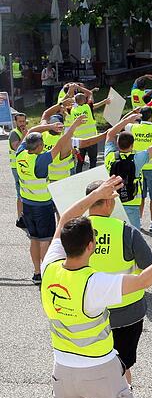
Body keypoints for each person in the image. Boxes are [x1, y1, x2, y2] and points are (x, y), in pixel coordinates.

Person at [41, 176, 152, 398]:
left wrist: (94, 195)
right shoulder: (94, 284)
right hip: (99, 370)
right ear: (91, 246)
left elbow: (63, 220)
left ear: (63, 243)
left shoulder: (49, 268)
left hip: (62, 369)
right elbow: (145, 279)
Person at [84, 179, 152, 385]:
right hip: (127, 313)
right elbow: (151, 268)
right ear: (108, 203)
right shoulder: (126, 231)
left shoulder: (76, 231)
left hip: (89, 313)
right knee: (122, 365)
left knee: (93, 364)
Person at [17, 116, 83, 284]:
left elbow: (31, 132)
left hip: (27, 204)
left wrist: (49, 126)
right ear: (39, 147)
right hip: (42, 205)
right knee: (45, 240)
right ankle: (47, 272)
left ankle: (36, 273)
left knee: (34, 240)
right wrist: (73, 126)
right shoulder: (40, 160)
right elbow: (60, 144)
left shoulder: (21, 153)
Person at [9, 113, 28, 226]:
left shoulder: (25, 131)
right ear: (16, 122)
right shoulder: (14, 134)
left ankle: (25, 216)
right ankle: (20, 218)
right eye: (20, 121)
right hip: (17, 168)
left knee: (26, 192)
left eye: (23, 121)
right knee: (20, 193)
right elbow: (17, 148)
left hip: (25, 166)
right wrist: (25, 136)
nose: (22, 124)